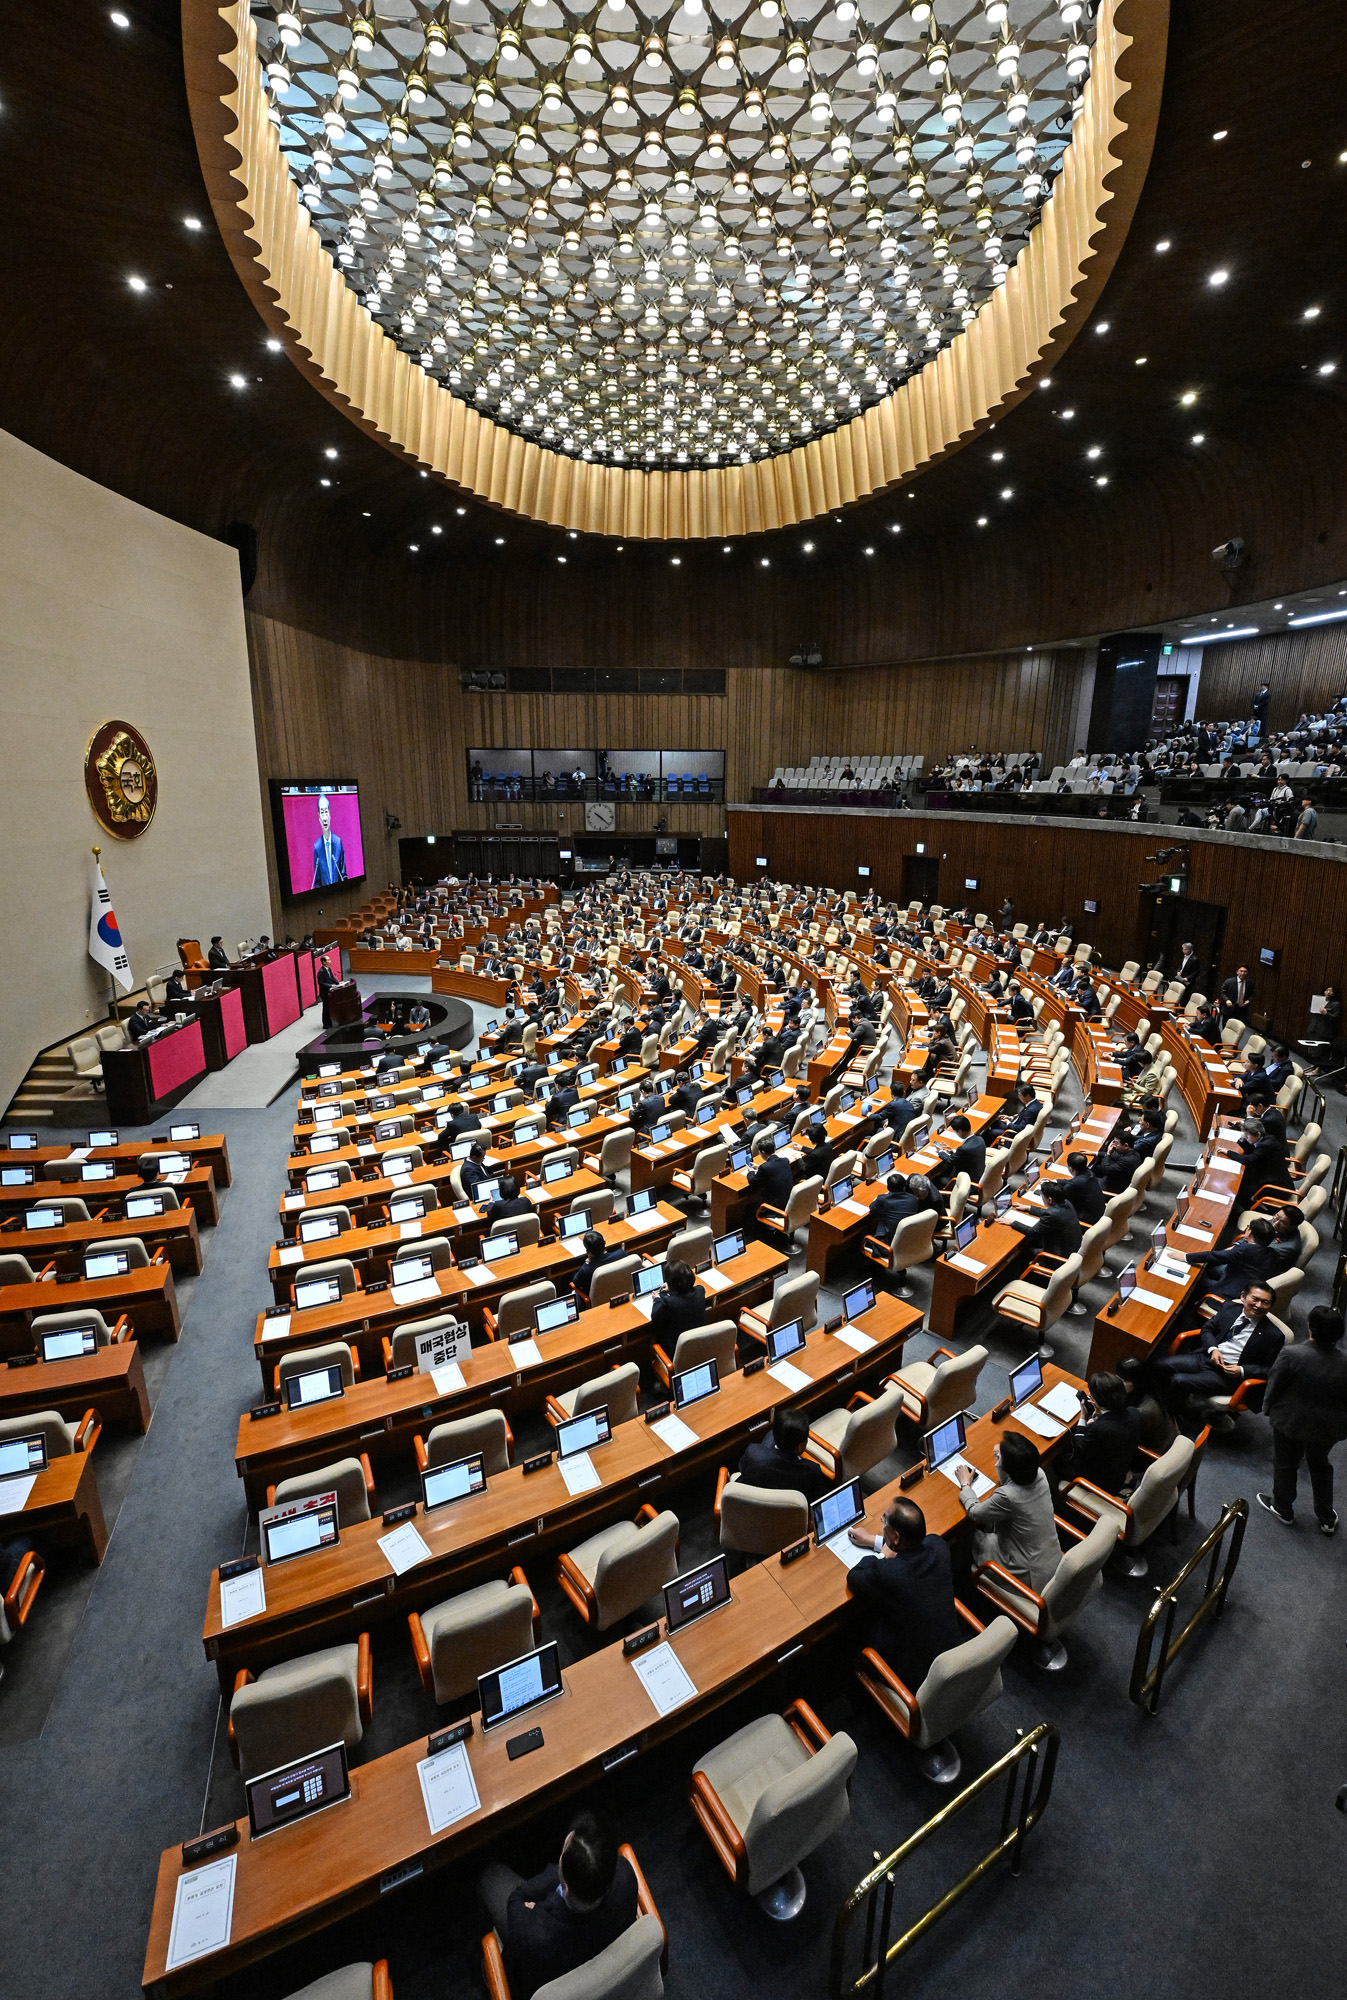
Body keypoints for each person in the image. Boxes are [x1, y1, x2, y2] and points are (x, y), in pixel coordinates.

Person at [478, 1812, 639, 2000]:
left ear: (566, 1888)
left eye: (562, 1856)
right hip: (603, 1952)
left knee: (490, 1876)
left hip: (544, 1973)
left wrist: (541, 1908)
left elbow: (517, 1898)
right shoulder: (625, 1876)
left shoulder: (532, 1933)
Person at [844, 1497, 963, 1691]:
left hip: (915, 1677)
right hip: (951, 1657)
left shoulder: (891, 1573)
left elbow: (854, 1577)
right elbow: (915, 1546)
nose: (882, 1524)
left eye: (884, 1521)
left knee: (854, 1626)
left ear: (896, 1537)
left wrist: (882, 1554)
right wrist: (875, 1541)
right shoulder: (938, 1546)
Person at [1259, 1307, 1347, 1532]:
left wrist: (1268, 1409)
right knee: (1320, 1464)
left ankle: (1282, 1507)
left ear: (1311, 1328)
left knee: (1286, 1463)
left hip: (1291, 1422)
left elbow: (1275, 1384)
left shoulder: (1292, 1354)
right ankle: (1326, 1517)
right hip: (1329, 1426)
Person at [1151, 1282, 1285, 1411]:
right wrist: (1213, 1349)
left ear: (1270, 1306)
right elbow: (1208, 1328)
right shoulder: (1230, 1308)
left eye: (1265, 1302)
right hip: (1207, 1357)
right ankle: (1161, 1398)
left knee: (1179, 1380)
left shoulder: (1273, 1335)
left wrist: (1242, 1370)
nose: (1258, 1305)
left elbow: (1271, 1369)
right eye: (1255, 1299)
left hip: (1227, 1375)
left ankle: (1169, 1411)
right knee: (1159, 1364)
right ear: (1243, 1296)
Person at [956, 1431, 1061, 1593]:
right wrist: (1003, 1457)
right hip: (1049, 1560)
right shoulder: (1039, 1474)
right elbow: (1011, 1480)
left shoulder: (1007, 1496)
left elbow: (975, 1512)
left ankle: (963, 1585)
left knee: (965, 1536)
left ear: (1009, 1467)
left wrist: (965, 1484)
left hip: (1026, 1573)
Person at [1055, 1373, 1142, 1495]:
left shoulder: (1099, 1428)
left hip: (1101, 1481)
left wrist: (1083, 1417)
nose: (1089, 1396)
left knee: (1058, 1459)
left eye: (1092, 1396)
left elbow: (1079, 1447)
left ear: (1096, 1401)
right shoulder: (1134, 1413)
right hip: (1119, 1466)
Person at [737, 1405, 831, 1505]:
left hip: (749, 1507)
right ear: (800, 1446)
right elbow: (815, 1500)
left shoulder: (753, 1453)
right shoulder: (812, 1471)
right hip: (788, 1516)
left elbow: (742, 1469)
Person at [1183, 1213, 1282, 1298]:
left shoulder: (1246, 1250)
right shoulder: (1273, 1254)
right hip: (1247, 1288)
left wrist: (1185, 1257)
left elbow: (1213, 1256)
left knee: (1194, 1278)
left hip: (1228, 1294)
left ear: (1250, 1232)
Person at [1007, 1179, 1082, 1258]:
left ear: (1050, 1200)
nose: (1042, 1198)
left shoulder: (1051, 1214)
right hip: (1072, 1248)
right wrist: (1029, 1208)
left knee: (1021, 1251)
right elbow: (1049, 1212)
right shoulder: (1066, 1203)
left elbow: (1032, 1232)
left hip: (1059, 1256)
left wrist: (1012, 1222)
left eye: (1042, 1196)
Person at [648, 1259, 707, 1346]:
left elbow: (655, 1317)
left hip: (675, 1351)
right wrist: (671, 1288)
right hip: (699, 1344)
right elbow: (685, 1292)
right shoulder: (700, 1291)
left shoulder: (669, 1303)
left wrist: (657, 1299)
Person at [572, 1229, 624, 1306]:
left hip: (597, 1302)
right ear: (605, 1242)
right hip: (621, 1293)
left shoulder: (586, 1270)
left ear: (587, 1250)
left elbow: (576, 1282)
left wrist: (587, 1261)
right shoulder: (621, 1254)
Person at [311, 790, 347, 889]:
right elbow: (317, 882)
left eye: (326, 812)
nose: (325, 817)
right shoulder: (317, 847)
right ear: (319, 817)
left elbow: (344, 876)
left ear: (330, 815)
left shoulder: (338, 842)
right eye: (322, 812)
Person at [1060, 1150, 1107, 1225]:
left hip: (1089, 1220)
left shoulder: (1074, 1184)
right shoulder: (1089, 1173)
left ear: (1071, 1169)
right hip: (1099, 1213)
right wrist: (1055, 1181)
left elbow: (1059, 1198)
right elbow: (1073, 1181)